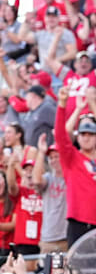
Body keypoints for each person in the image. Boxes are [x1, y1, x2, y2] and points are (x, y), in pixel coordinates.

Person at [54, 86, 96, 245]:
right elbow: (60, 135)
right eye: (83, 134)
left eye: (91, 134)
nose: (86, 138)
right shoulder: (72, 158)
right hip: (78, 222)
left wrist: (91, 103)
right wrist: (62, 105)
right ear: (77, 139)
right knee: (78, 268)